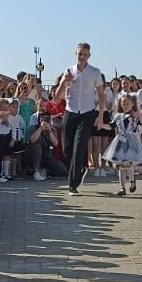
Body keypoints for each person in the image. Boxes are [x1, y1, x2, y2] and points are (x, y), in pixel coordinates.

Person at [59, 42, 106, 194]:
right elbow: (57, 97)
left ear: (89, 55)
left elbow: (101, 95)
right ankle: (81, 167)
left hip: (87, 112)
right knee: (67, 148)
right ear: (76, 54)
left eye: (85, 54)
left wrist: (100, 116)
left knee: (79, 146)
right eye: (80, 54)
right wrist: (64, 82)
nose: (82, 57)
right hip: (70, 111)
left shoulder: (95, 72)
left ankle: (73, 184)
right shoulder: (69, 71)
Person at [102, 93, 142, 195]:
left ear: (132, 104)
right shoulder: (118, 116)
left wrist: (139, 116)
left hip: (131, 142)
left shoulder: (135, 116)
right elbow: (111, 126)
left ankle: (132, 180)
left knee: (128, 164)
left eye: (128, 104)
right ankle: (122, 187)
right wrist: (102, 125)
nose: (125, 106)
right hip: (120, 141)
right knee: (121, 166)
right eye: (124, 104)